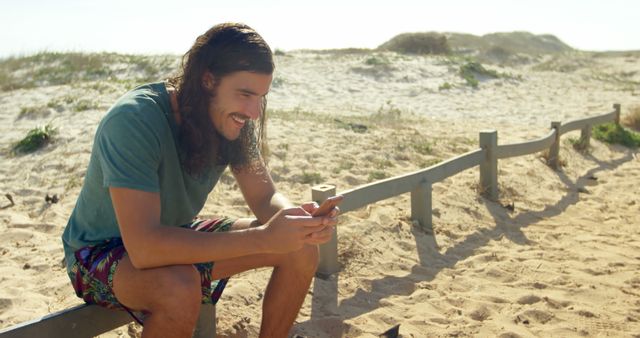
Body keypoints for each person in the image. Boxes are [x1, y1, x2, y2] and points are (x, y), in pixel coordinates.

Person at [61, 22, 338, 338]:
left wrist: (300, 221)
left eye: (261, 96)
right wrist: (264, 236)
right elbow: (144, 248)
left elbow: (264, 197)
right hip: (99, 252)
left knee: (300, 249)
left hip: (172, 234)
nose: (254, 112)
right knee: (179, 288)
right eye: (245, 94)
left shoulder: (232, 117)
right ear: (208, 80)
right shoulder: (134, 120)